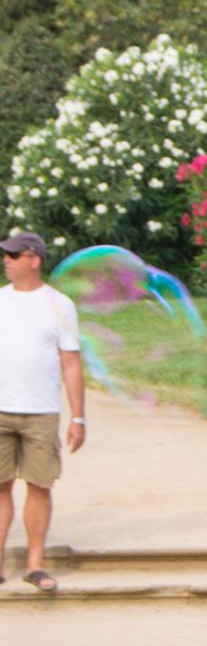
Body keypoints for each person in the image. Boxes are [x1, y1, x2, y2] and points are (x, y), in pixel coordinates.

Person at [0, 232, 85, 593]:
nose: (6, 260)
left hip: (41, 411)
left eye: (12, 255)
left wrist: (78, 417)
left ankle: (34, 564)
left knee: (39, 486)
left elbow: (70, 362)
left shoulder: (59, 304)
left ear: (33, 259)